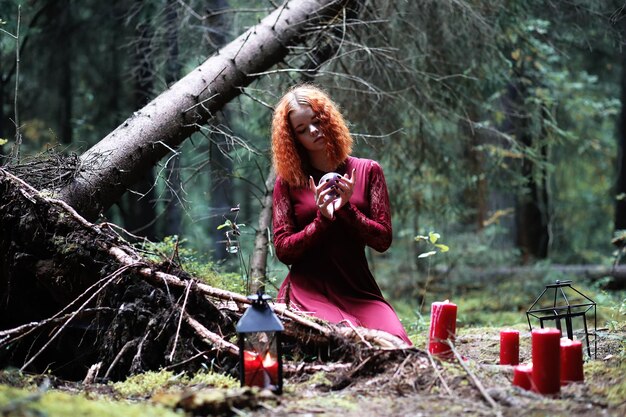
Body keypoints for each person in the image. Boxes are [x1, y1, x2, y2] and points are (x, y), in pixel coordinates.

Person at [270, 84, 412, 346]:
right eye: (302, 130)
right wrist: (321, 221)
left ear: (328, 119)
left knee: (396, 343)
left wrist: (347, 209)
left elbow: (382, 240)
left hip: (358, 287)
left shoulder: (368, 170)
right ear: (294, 140)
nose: (313, 131)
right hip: (308, 289)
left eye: (316, 121)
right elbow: (283, 250)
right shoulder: (288, 183)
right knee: (344, 342)